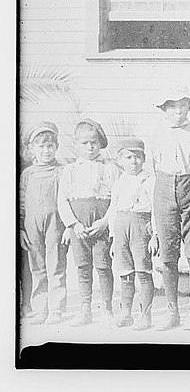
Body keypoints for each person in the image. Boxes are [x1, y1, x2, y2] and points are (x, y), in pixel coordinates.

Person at [150, 90, 190, 330]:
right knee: (168, 254)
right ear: (164, 110)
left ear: (189, 108)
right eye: (172, 106)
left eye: (182, 106)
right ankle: (171, 310)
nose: (177, 111)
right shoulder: (156, 135)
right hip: (164, 188)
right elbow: (153, 170)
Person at [57, 119, 120, 327]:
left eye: (94, 142)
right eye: (84, 143)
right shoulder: (70, 171)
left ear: (100, 143)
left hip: (101, 224)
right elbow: (62, 201)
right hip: (79, 227)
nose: (90, 147)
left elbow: (117, 200)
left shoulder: (110, 169)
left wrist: (105, 222)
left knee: (103, 266)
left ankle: (106, 308)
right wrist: (73, 225)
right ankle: (85, 309)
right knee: (83, 267)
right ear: (76, 144)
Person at [20, 122, 67, 325]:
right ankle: (41, 308)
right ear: (32, 149)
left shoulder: (62, 171)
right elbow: (21, 203)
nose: (46, 151)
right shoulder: (27, 174)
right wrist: (21, 228)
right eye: (41, 147)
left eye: (50, 146)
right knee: (37, 266)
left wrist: (68, 227)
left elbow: (67, 200)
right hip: (32, 226)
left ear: (56, 147)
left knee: (56, 265)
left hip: (55, 224)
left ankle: (56, 309)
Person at [108, 137, 158, 330]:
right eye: (128, 157)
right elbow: (113, 208)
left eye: (137, 157)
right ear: (120, 160)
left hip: (141, 226)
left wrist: (155, 235)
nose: (133, 161)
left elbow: (155, 209)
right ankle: (126, 313)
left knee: (143, 271)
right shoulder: (120, 180)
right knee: (125, 272)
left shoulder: (149, 179)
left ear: (143, 159)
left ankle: (146, 316)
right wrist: (113, 238)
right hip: (121, 227)